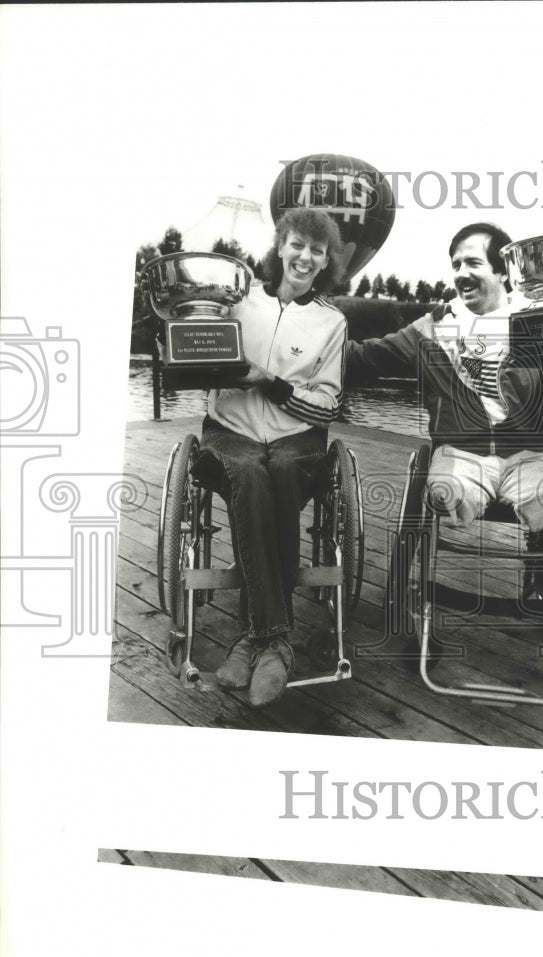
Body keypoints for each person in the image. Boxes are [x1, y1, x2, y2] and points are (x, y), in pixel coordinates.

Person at [191, 207, 347, 706]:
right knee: (248, 470)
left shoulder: (332, 322)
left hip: (295, 441)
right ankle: (273, 639)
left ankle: (253, 639)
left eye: (317, 251)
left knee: (276, 467)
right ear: (280, 246)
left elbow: (329, 401)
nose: (305, 257)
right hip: (231, 432)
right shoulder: (238, 300)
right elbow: (201, 356)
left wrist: (270, 383)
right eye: (297, 244)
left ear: (326, 262)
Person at [345, 221, 543, 538]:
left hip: (526, 459)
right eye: (456, 264)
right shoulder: (435, 327)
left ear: (503, 272)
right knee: (448, 492)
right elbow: (369, 357)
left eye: (472, 263)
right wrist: (310, 346)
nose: (460, 273)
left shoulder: (540, 329)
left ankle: (539, 569)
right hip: (459, 454)